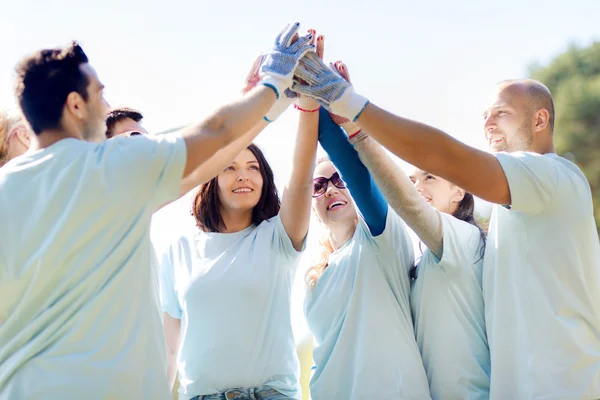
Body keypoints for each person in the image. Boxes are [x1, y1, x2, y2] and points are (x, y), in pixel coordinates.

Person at [0, 22, 314, 399]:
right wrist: (274, 84)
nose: (107, 105)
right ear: (76, 105)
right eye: (100, 94)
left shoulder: (7, 189)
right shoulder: (111, 166)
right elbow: (215, 134)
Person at [294, 51, 600, 399]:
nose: (487, 124)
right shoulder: (504, 217)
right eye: (484, 115)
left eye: (501, 113)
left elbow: (441, 163)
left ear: (540, 120)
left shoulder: (553, 176)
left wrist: (349, 109)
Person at [159, 30, 323, 400]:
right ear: (211, 179)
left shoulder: (278, 238)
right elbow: (170, 347)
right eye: (230, 168)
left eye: (253, 167)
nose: (244, 176)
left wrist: (309, 104)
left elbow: (299, 180)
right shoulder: (179, 248)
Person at [329, 60, 490, 399]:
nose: (417, 187)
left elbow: (406, 203)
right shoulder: (423, 259)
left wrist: (353, 121)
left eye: (429, 177)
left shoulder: (466, 239)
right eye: (414, 179)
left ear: (459, 191)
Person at [303, 108, 431, 400]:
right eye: (319, 186)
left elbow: (355, 170)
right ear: (312, 203)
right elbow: (323, 356)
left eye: (339, 179)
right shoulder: (313, 276)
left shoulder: (381, 236)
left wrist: (314, 103)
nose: (331, 190)